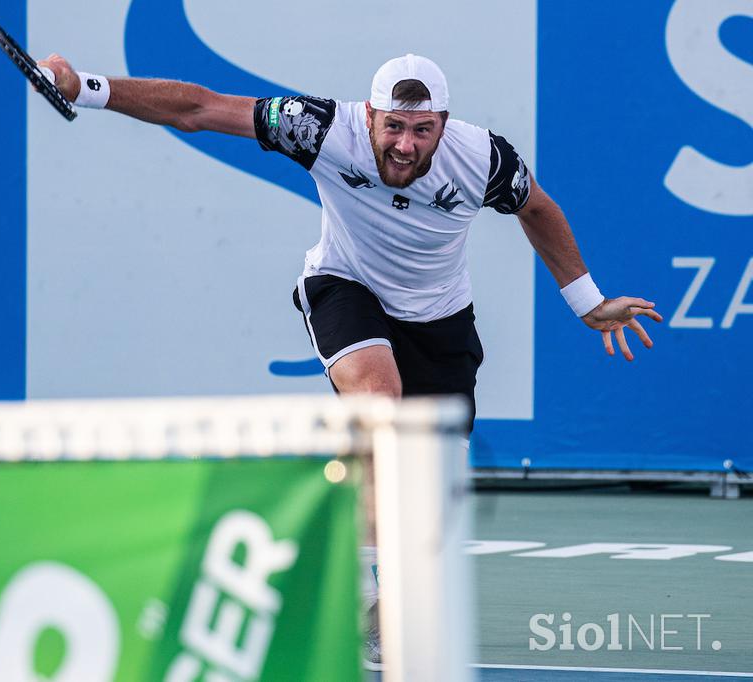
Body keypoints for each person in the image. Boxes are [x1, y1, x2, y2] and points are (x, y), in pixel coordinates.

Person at [37, 51, 662, 669]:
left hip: (441, 320)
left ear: (444, 123)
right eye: (393, 126)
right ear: (369, 117)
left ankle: (391, 592)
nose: (406, 145)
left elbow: (537, 209)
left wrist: (588, 301)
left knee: (426, 481)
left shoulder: (485, 159)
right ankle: (364, 601)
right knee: (380, 420)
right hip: (346, 287)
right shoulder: (320, 128)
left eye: (423, 129)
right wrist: (86, 87)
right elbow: (201, 108)